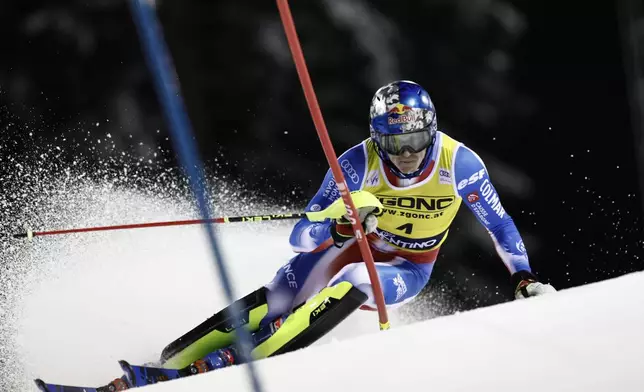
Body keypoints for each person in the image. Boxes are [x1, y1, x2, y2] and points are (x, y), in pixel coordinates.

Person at [157, 80, 556, 375]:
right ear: (375, 137)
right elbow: (301, 236)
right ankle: (175, 360)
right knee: (283, 294)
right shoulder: (357, 163)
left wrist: (523, 277)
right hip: (351, 246)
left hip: (407, 267)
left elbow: (499, 224)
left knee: (355, 276)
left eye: (415, 140)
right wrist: (341, 229)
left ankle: (253, 358)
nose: (406, 154)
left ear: (431, 130)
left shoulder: (460, 165)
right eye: (394, 142)